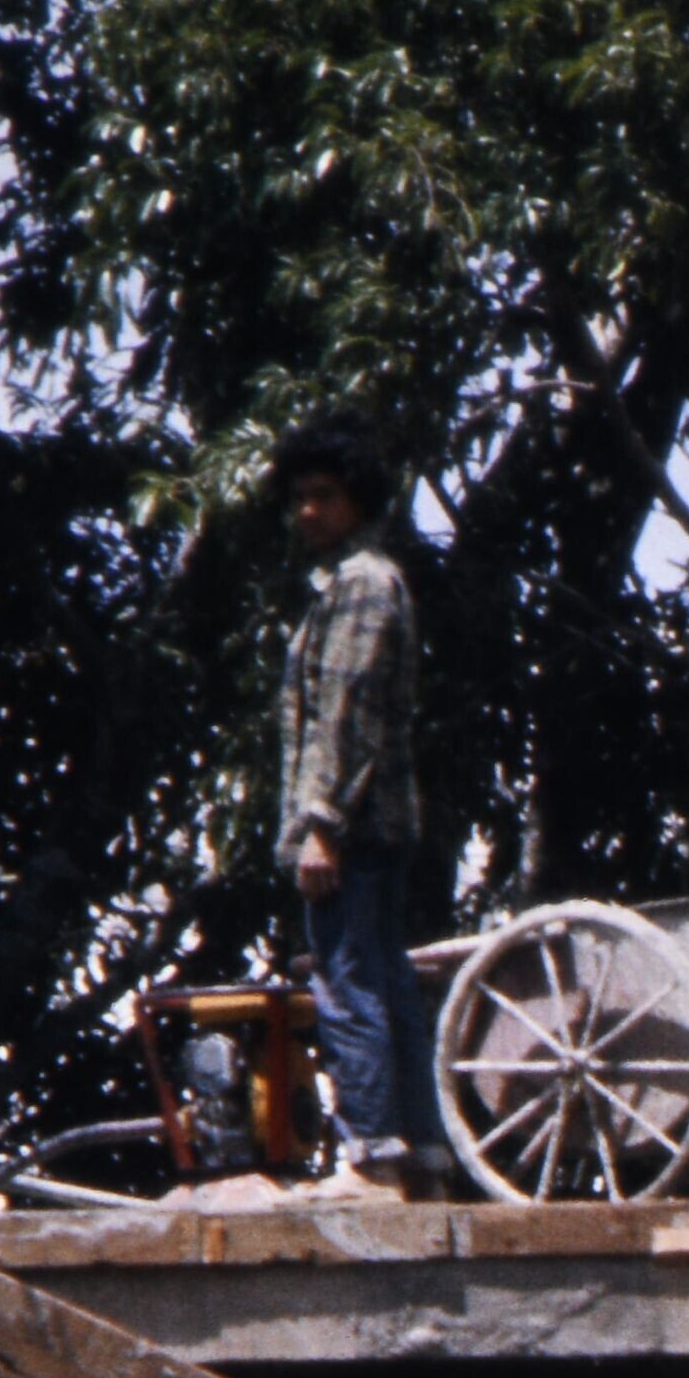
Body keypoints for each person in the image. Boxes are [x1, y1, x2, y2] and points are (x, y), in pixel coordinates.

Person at [272, 421, 434, 1168]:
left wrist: (321, 825)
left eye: (325, 496)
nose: (308, 511)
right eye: (299, 497)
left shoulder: (363, 584)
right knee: (385, 979)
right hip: (369, 824)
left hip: (353, 827)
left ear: (358, 500)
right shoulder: (350, 583)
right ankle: (422, 1153)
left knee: (347, 983)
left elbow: (347, 714)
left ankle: (373, 1150)